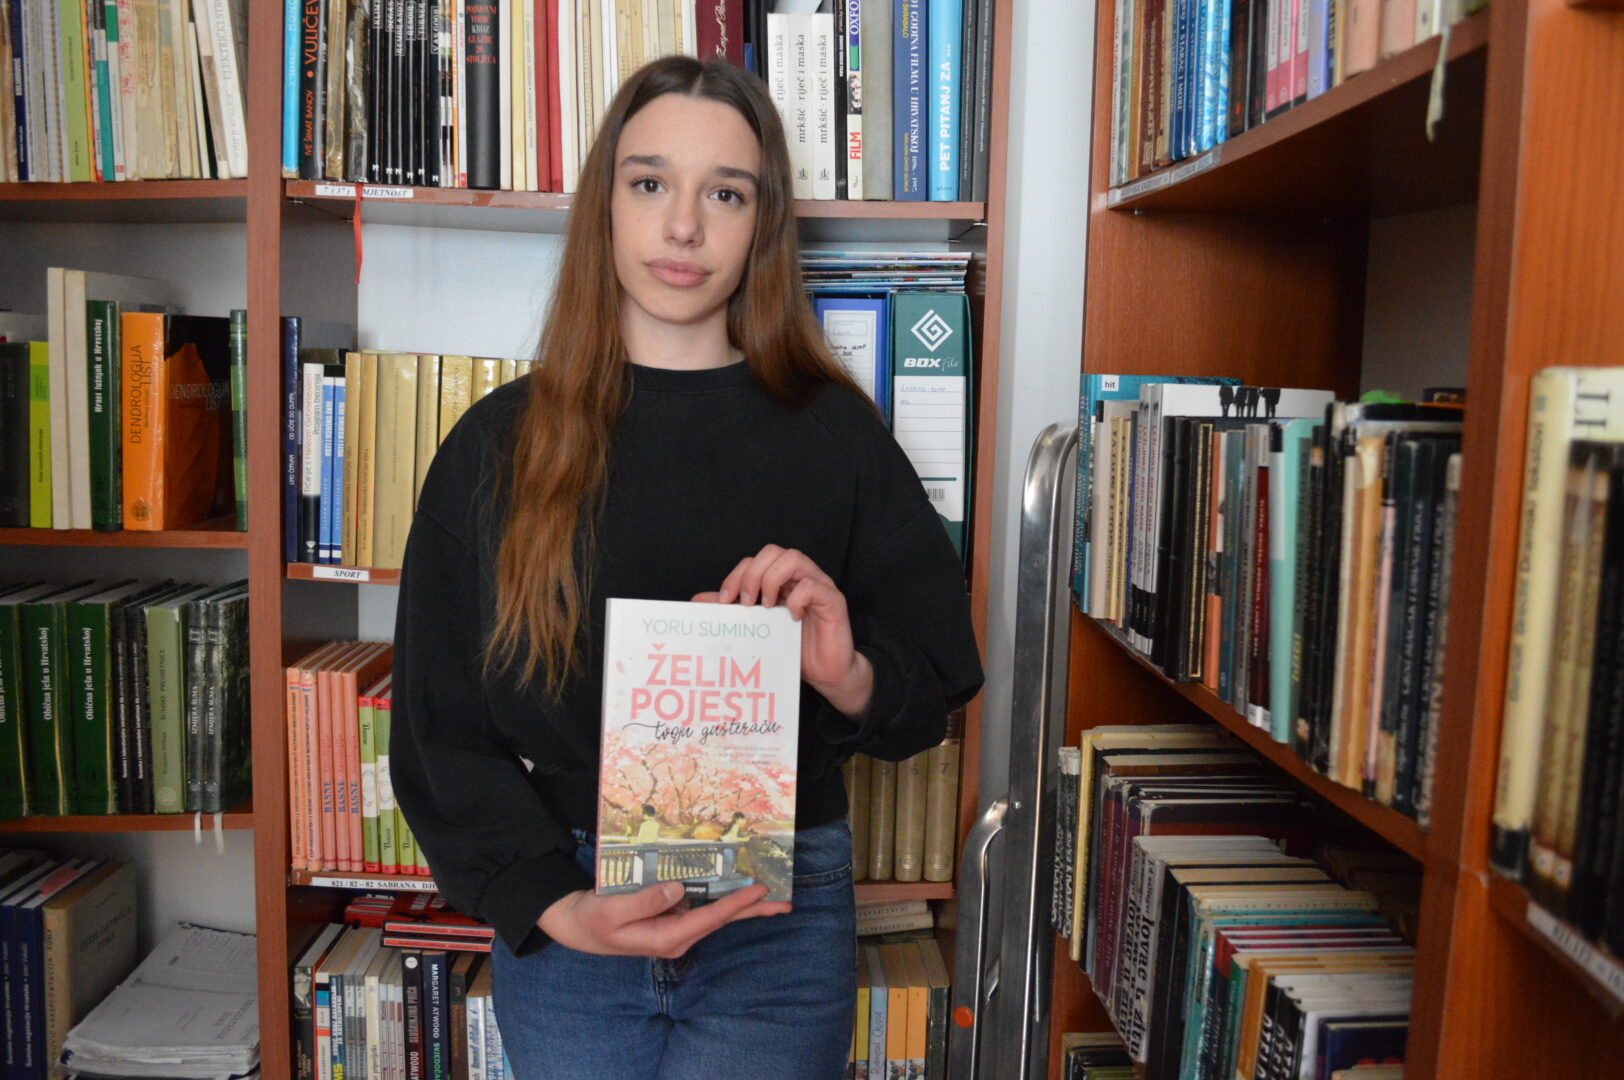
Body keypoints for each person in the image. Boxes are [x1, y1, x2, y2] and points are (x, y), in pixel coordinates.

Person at [389, 56, 983, 1080]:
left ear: (762, 224)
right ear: (605, 205)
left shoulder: (836, 437)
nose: (683, 226)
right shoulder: (495, 446)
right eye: (650, 182)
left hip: (777, 914)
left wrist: (847, 673)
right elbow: (437, 727)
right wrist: (556, 905)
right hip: (576, 916)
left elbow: (933, 682)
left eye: (726, 193)